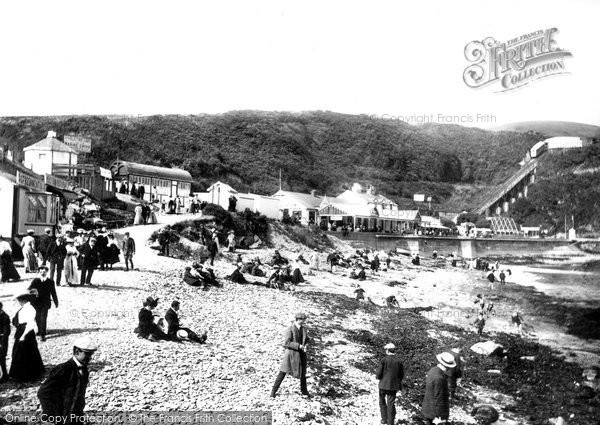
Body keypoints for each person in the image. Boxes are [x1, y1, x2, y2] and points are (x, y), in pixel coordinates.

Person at [37, 336, 99, 422]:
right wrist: (51, 415)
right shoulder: (63, 369)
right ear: (77, 352)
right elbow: (43, 393)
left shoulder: (84, 370)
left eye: (91, 355)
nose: (90, 358)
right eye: (87, 354)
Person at [271, 312, 310, 398]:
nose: (303, 321)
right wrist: (298, 346)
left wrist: (306, 346)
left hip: (301, 354)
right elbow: (286, 343)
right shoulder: (290, 329)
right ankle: (273, 391)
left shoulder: (304, 329)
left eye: (304, 320)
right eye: (302, 320)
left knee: (303, 373)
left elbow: (307, 340)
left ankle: (304, 391)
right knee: (283, 372)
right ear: (297, 319)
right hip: (291, 355)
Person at [9, 293, 45, 382]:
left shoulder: (30, 309)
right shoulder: (24, 308)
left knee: (24, 352)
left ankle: (26, 375)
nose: (18, 302)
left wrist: (23, 336)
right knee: (23, 352)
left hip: (26, 332)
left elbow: (31, 324)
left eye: (19, 300)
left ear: (23, 300)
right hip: (21, 330)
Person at [422, 352, 455, 425]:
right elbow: (439, 397)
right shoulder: (439, 378)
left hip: (428, 408)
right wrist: (441, 416)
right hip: (435, 413)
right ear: (448, 366)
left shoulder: (433, 370)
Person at [28, 265, 59, 341]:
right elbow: (29, 289)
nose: (42, 273)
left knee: (43, 317)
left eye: (44, 272)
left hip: (45, 303)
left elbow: (53, 293)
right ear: (39, 272)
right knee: (37, 317)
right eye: (41, 272)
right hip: (36, 303)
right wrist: (32, 292)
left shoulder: (50, 282)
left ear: (47, 272)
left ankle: (43, 334)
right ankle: (39, 330)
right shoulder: (35, 281)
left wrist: (56, 302)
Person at [376, 343, 404, 425]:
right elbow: (401, 374)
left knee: (382, 402)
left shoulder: (384, 360)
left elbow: (379, 373)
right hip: (393, 386)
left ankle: (384, 419)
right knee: (391, 403)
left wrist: (378, 377)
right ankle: (390, 422)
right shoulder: (399, 361)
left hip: (383, 385)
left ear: (387, 350)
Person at [0, 302, 10, 383]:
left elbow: (6, 332)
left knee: (2, 358)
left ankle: (5, 375)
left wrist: (1, 343)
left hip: (2, 341)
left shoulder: (5, 317)